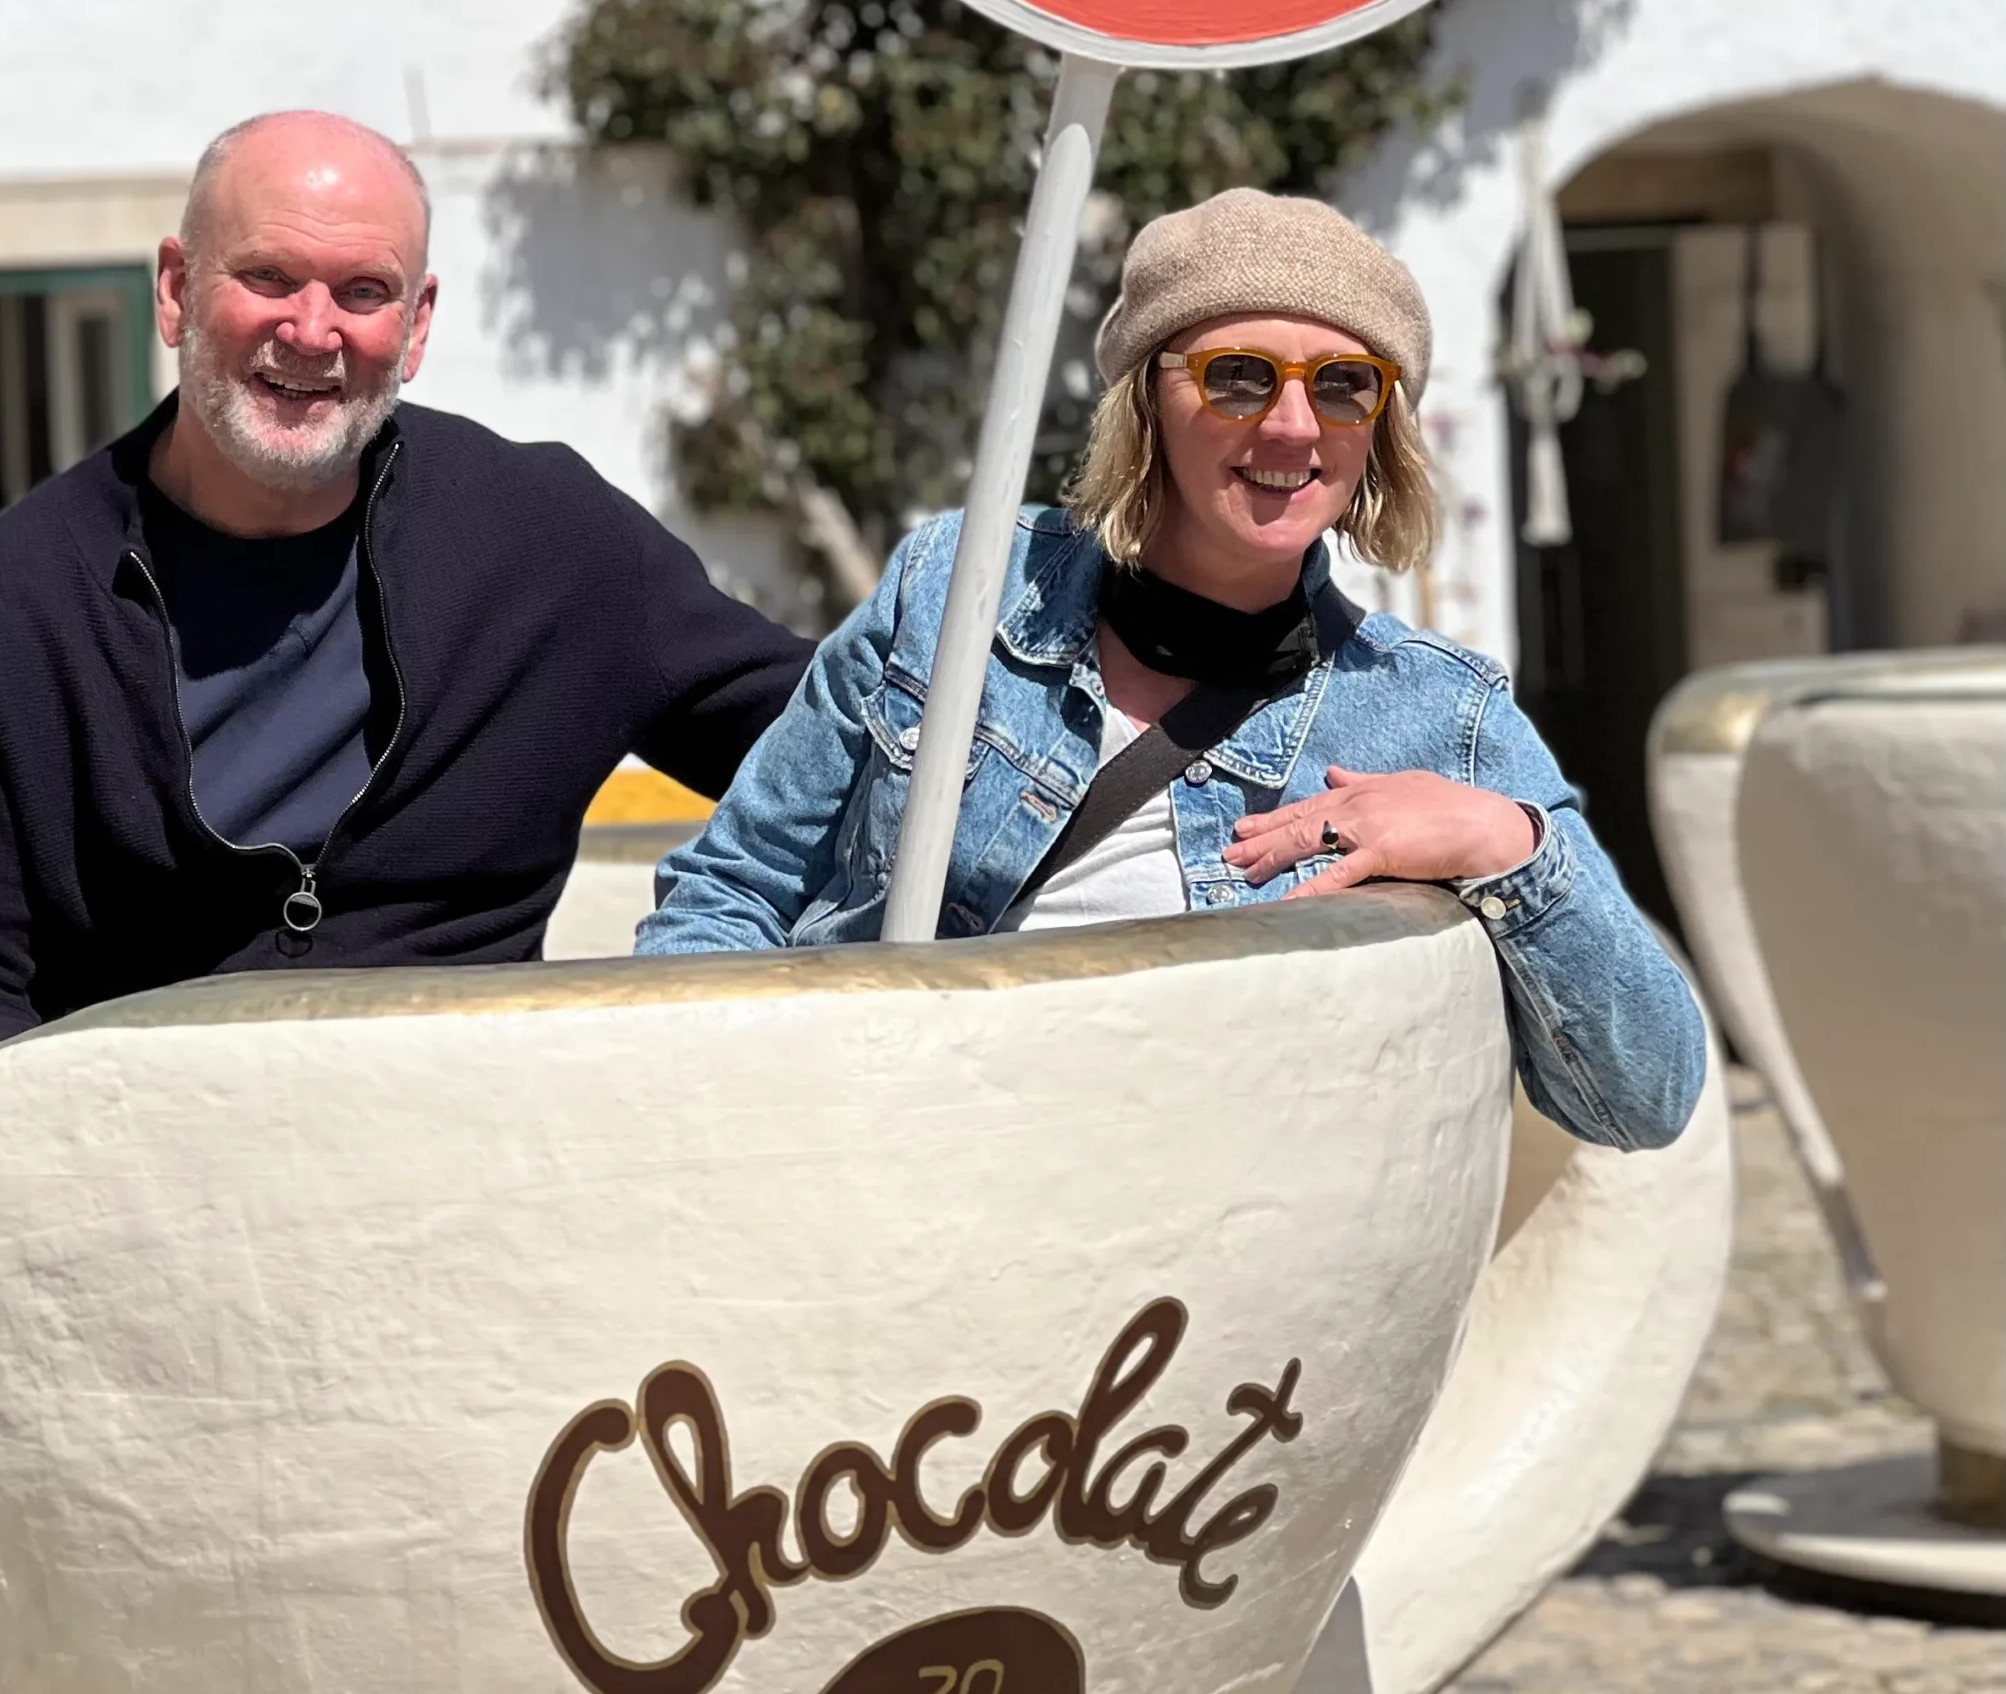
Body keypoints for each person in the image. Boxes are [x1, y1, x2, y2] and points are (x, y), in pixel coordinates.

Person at [0, 109, 810, 1694]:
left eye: (360, 289)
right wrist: (50, 1166)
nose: (310, 327)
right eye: (269, 278)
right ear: (177, 293)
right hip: (133, 1254)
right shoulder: (8, 599)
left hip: (466, 1228)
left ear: (420, 321)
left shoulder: (543, 537)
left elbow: (817, 741)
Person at [635, 186, 1705, 1154]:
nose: (1292, 425)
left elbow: (1644, 1094)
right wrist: (735, 1135)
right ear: (1145, 402)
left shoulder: (1436, 714)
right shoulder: (956, 591)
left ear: (1379, 428)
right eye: (1238, 377)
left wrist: (1500, 840)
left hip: (1185, 1278)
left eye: (1344, 385)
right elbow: (733, 892)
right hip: (886, 1184)